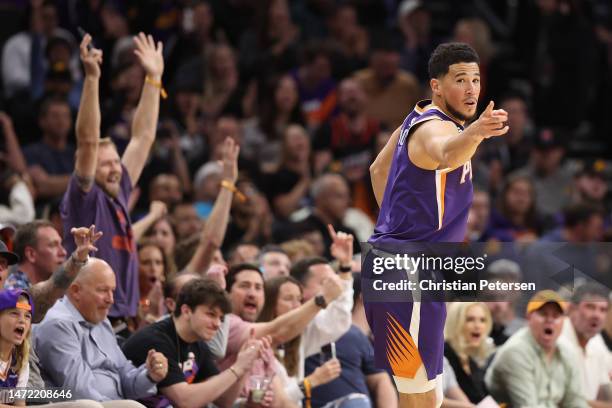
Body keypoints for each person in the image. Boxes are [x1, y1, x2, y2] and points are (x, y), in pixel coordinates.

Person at [365, 42, 508, 407]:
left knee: (424, 397)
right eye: (461, 80)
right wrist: (476, 132)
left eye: (476, 79)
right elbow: (446, 152)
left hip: (403, 264)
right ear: (437, 86)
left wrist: (395, 227)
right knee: (420, 399)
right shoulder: (434, 129)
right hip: (406, 269)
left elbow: (378, 170)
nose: (472, 88)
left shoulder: (415, 119)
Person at [60, 32, 164, 324]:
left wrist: (153, 80)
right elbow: (88, 142)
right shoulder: (85, 197)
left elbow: (143, 137)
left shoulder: (118, 190)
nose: (116, 169)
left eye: (116, 162)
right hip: (91, 320)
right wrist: (92, 78)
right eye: (105, 165)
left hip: (123, 319)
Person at [33, 258, 169, 404]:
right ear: (76, 291)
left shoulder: (101, 320)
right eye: (103, 290)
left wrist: (149, 375)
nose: (110, 299)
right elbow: (78, 391)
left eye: (112, 291)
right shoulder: (57, 325)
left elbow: (125, 377)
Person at [122, 278, 264, 408]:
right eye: (211, 314)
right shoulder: (155, 340)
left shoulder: (198, 343)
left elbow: (223, 401)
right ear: (186, 311)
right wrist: (238, 368)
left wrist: (245, 364)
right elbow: (184, 400)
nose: (217, 324)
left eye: (221, 318)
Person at [485, 290, 587, 407]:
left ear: (564, 321)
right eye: (543, 314)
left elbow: (575, 401)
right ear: (528, 317)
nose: (550, 320)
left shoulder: (567, 350)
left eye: (556, 316)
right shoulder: (516, 352)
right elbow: (528, 406)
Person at [561, 283, 612, 404]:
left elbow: (605, 390)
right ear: (571, 309)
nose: (597, 315)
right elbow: (563, 401)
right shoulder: (557, 338)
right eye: (590, 307)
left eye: (602, 310)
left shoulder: (597, 342)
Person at [443, 302, 495, 404]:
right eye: (470, 319)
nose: (478, 326)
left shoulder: (471, 361)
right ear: (456, 322)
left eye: (482, 320)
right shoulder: (444, 355)